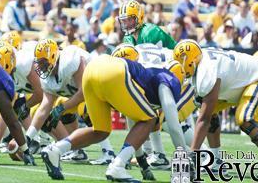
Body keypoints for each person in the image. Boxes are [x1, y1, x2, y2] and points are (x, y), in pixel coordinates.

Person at [41, 53, 184, 181]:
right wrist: (183, 164)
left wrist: (142, 163)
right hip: (113, 71)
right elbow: (174, 127)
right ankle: (117, 166)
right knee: (150, 119)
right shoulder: (169, 81)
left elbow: (133, 119)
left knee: (100, 131)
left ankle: (55, 150)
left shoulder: (150, 75)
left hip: (92, 70)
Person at [173, 40, 258, 179]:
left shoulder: (206, 70)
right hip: (238, 83)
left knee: (244, 119)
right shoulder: (201, 62)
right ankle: (216, 163)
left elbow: (203, 119)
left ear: (189, 62)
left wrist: (192, 154)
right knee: (210, 111)